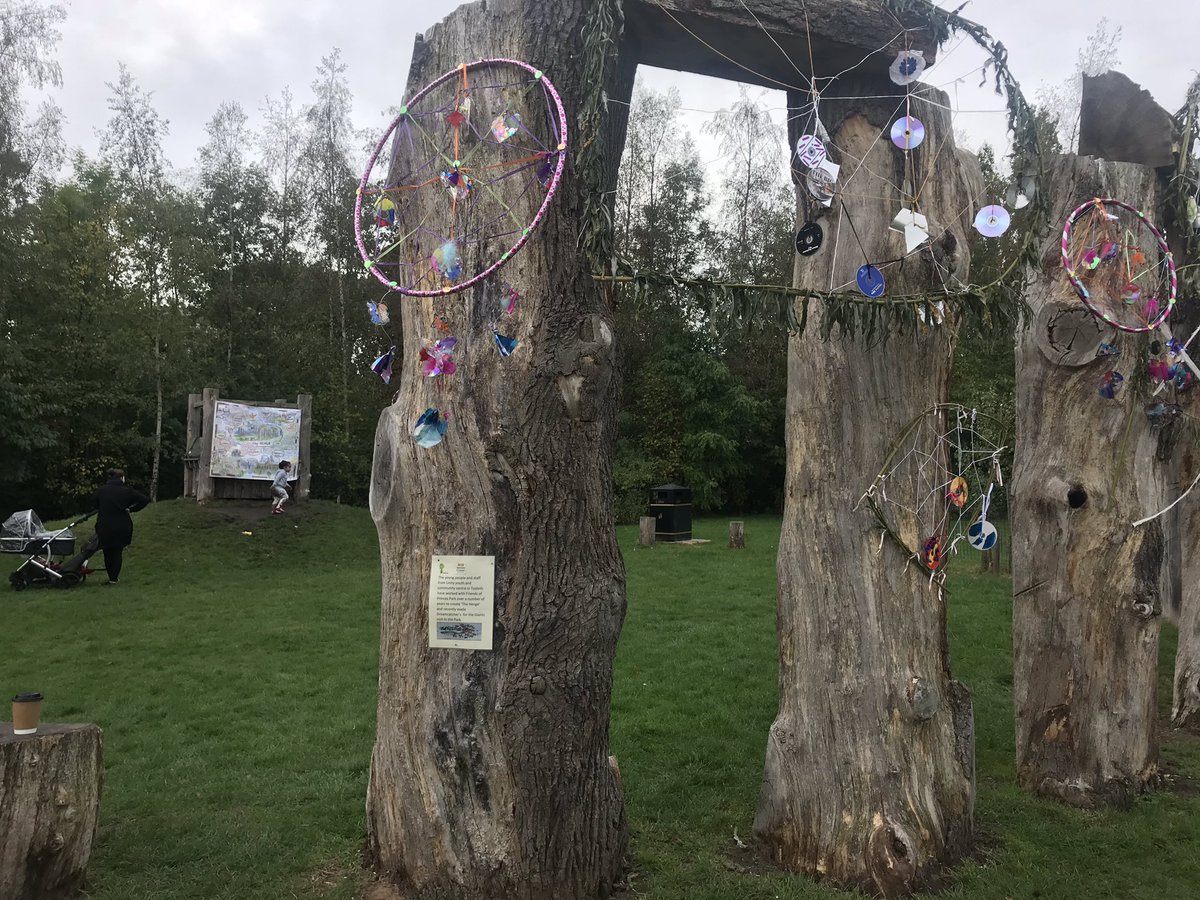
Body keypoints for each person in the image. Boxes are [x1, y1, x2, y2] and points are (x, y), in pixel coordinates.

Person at [94, 468, 150, 585]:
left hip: (105, 525)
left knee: (107, 552)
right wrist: (131, 509)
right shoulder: (126, 491)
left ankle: (111, 577)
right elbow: (144, 499)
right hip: (122, 525)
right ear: (122, 478)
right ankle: (114, 578)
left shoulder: (102, 490)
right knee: (117, 551)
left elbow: (95, 505)